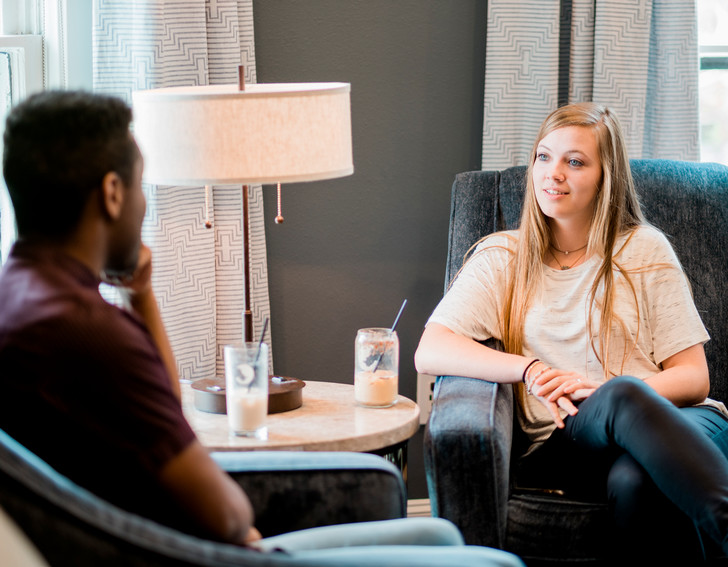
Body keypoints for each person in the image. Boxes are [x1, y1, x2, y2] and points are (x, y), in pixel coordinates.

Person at [0, 90, 523, 567]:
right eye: (140, 186)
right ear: (112, 193)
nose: (143, 205)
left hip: (148, 537)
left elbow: (163, 407)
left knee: (439, 539)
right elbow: (228, 516)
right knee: (494, 565)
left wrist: (140, 295)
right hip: (204, 555)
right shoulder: (91, 334)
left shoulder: (24, 301)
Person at [415, 102, 728, 567]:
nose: (552, 173)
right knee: (619, 413)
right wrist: (529, 369)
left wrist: (611, 392)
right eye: (544, 157)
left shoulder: (643, 248)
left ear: (606, 176)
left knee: (633, 480)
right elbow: (431, 349)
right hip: (571, 438)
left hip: (688, 422)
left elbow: (693, 378)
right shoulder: (503, 258)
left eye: (574, 162)